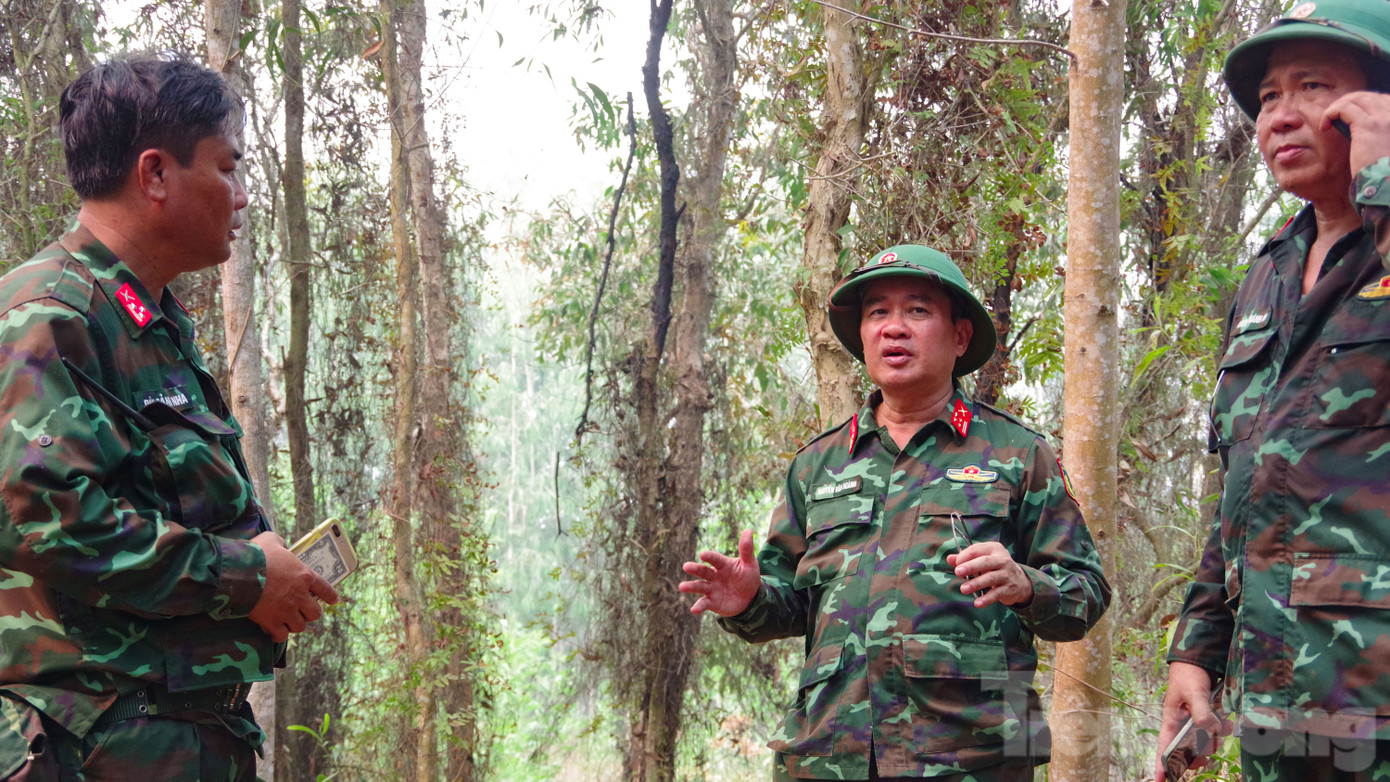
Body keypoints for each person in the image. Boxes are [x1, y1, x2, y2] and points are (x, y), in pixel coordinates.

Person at [0, 55, 337, 780]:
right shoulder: (49, 315)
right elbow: (47, 519)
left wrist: (266, 567)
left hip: (178, 739)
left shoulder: (150, 322)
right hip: (94, 746)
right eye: (226, 167)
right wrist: (245, 576)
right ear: (155, 175)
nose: (243, 195)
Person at [680, 245, 1111, 781]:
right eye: (877, 312)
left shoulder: (1019, 454)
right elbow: (789, 605)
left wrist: (1024, 584)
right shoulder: (818, 464)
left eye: (918, 310)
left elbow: (1086, 594)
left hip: (972, 762)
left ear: (959, 336)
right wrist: (746, 600)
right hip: (828, 759)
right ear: (861, 335)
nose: (893, 328)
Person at [1156, 2, 1390, 780]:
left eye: (1312, 87)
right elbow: (1246, 483)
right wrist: (1197, 650)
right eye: (1266, 99)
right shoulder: (1267, 274)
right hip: (1279, 701)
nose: (1280, 117)